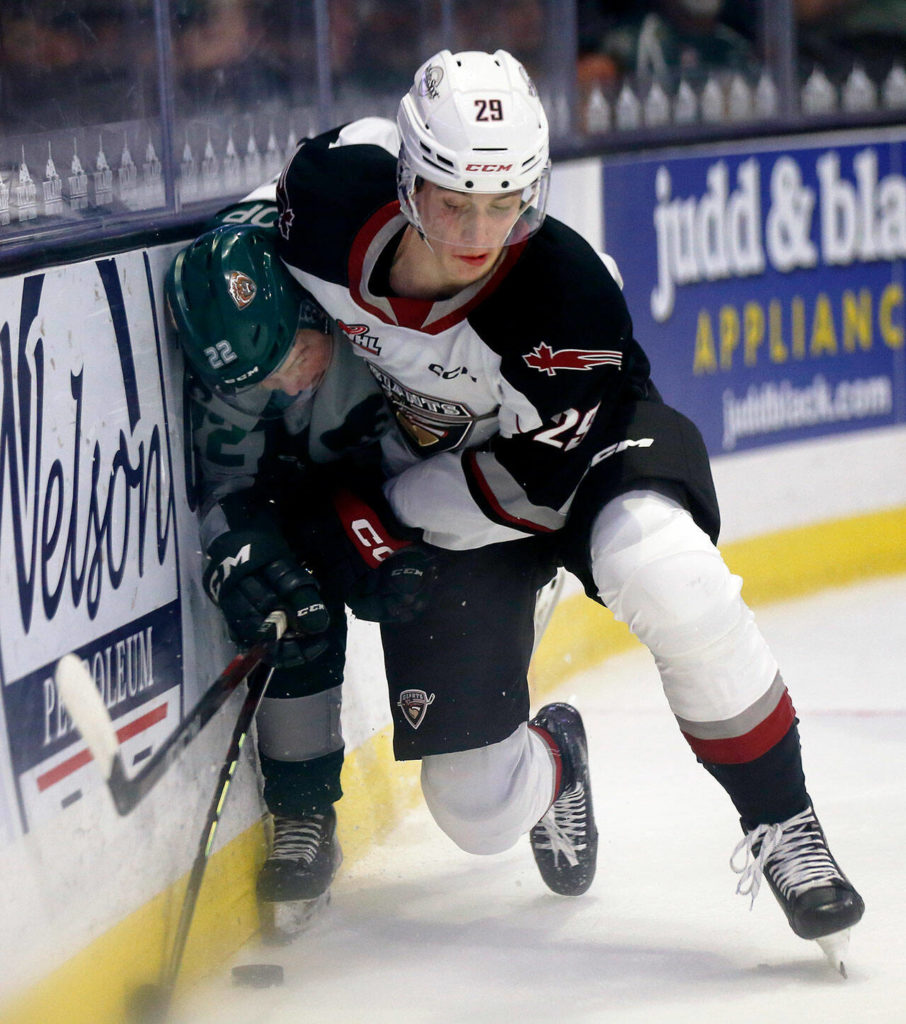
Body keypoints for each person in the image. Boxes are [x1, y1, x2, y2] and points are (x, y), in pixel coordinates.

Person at [270, 48, 865, 957]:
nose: (477, 233)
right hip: (448, 480)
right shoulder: (325, 197)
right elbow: (250, 244)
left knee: (663, 570)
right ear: (405, 178)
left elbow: (532, 483)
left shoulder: (567, 295)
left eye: (505, 203)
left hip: (585, 456)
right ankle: (558, 761)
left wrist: (384, 512)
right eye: (453, 201)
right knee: (471, 810)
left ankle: (789, 825)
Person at [164, 220, 434, 937]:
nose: (288, 381)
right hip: (297, 495)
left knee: (421, 587)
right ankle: (303, 811)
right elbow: (222, 492)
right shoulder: (232, 373)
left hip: (399, 488)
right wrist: (235, 563)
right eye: (263, 377)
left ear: (310, 307)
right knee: (292, 610)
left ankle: (524, 743)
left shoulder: (371, 299)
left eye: (295, 355)